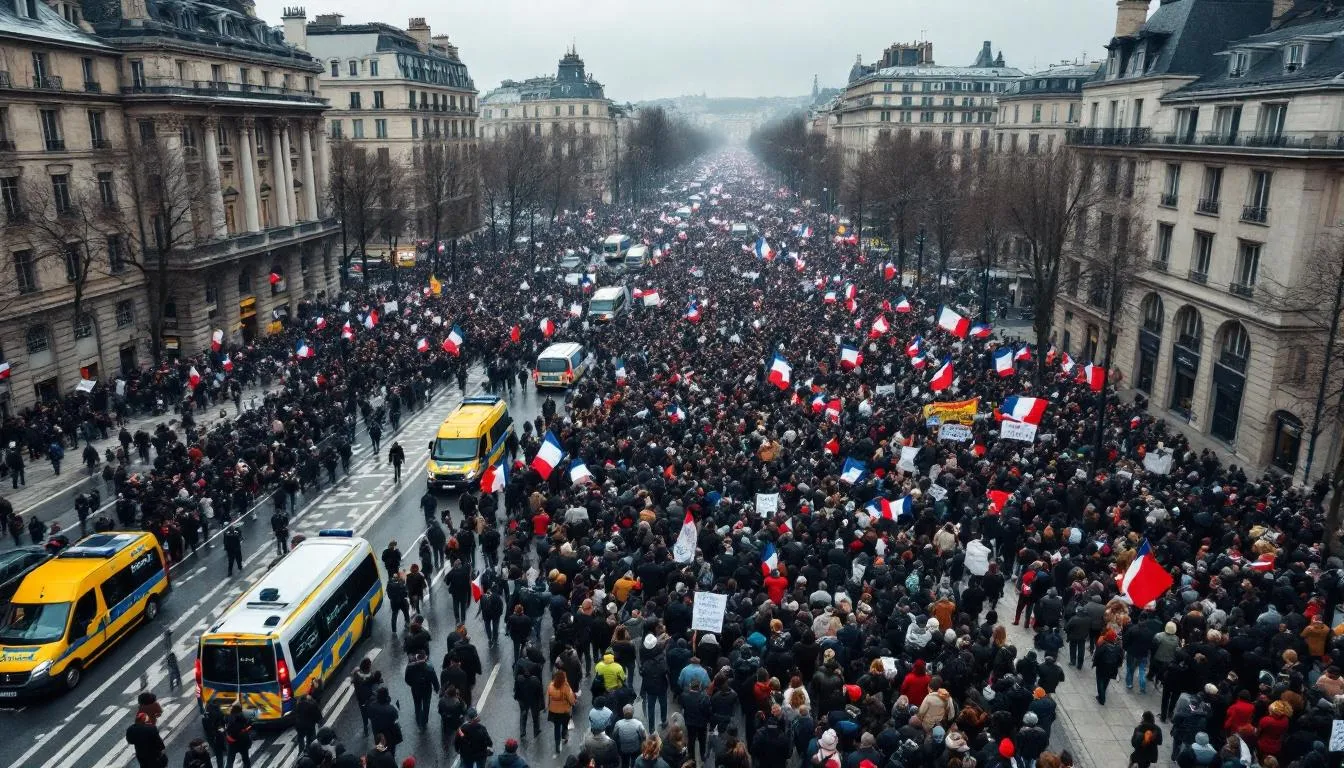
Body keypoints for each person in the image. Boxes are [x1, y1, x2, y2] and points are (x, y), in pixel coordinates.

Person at [405, 652, 441, 729]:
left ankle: (418, 720)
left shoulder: (410, 667)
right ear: (425, 658)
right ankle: (424, 721)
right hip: (427, 690)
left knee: (417, 704)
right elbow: (434, 680)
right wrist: (437, 688)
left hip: (415, 689)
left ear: (416, 658)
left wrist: (412, 684)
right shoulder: (430, 667)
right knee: (426, 705)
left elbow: (407, 679)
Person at [546, 670, 577, 755]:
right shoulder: (565, 687)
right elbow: (571, 698)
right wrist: (573, 703)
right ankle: (565, 737)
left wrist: (547, 707)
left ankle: (557, 744)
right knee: (565, 725)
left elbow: (547, 698)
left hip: (554, 711)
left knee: (556, 727)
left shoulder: (551, 686)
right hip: (564, 711)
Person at [1092, 629, 1123, 705]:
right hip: (1112, 668)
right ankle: (1102, 694)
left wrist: (1094, 663)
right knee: (1106, 681)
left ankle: (1101, 698)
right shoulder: (1118, 648)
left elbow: (1097, 655)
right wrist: (1118, 665)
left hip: (1101, 667)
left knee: (1100, 681)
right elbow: (1120, 658)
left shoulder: (1103, 646)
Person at [514, 661, 544, 739]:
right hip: (534, 701)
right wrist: (541, 703)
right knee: (535, 716)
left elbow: (516, 690)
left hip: (523, 700)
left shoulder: (519, 679)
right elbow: (540, 693)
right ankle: (536, 731)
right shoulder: (536, 681)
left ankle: (522, 731)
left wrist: (517, 698)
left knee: (523, 714)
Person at [224, 703, 253, 768]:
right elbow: (250, 724)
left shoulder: (230, 717)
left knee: (230, 760)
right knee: (246, 759)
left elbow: (228, 728)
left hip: (233, 742)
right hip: (243, 741)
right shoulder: (244, 716)